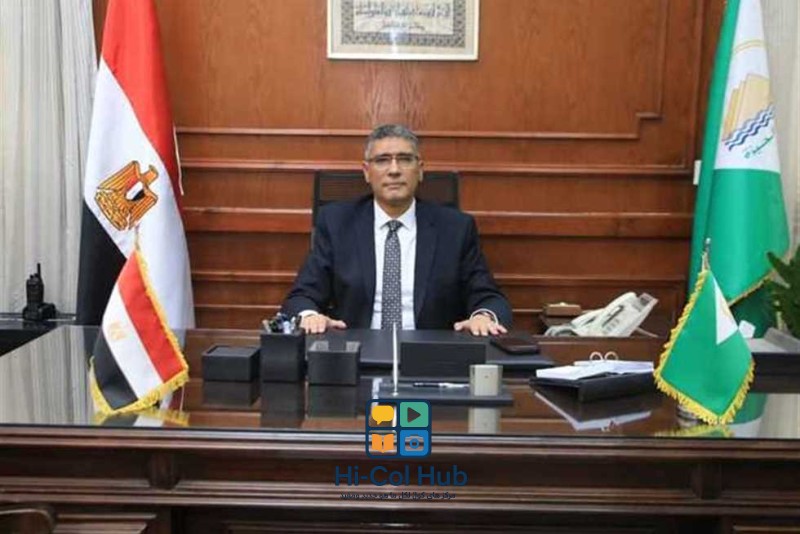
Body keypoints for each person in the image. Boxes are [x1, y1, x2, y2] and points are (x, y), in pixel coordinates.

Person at [282, 124, 512, 336]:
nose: (394, 170)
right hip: (355, 352)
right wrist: (310, 316)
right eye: (382, 160)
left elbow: (489, 297)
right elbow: (302, 296)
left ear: (420, 170)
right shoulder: (336, 223)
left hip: (431, 356)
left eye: (404, 159)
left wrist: (483, 316)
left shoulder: (456, 228)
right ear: (366, 171)